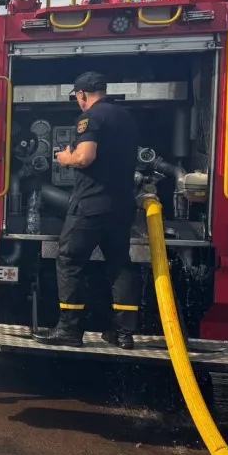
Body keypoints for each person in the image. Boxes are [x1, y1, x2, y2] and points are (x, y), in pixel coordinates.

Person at [35, 71, 141, 349]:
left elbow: (85, 157)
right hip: (121, 207)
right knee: (119, 264)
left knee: (69, 260)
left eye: (77, 97)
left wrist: (65, 157)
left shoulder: (90, 117)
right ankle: (122, 334)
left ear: (82, 94)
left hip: (91, 205)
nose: (78, 102)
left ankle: (69, 331)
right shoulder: (126, 118)